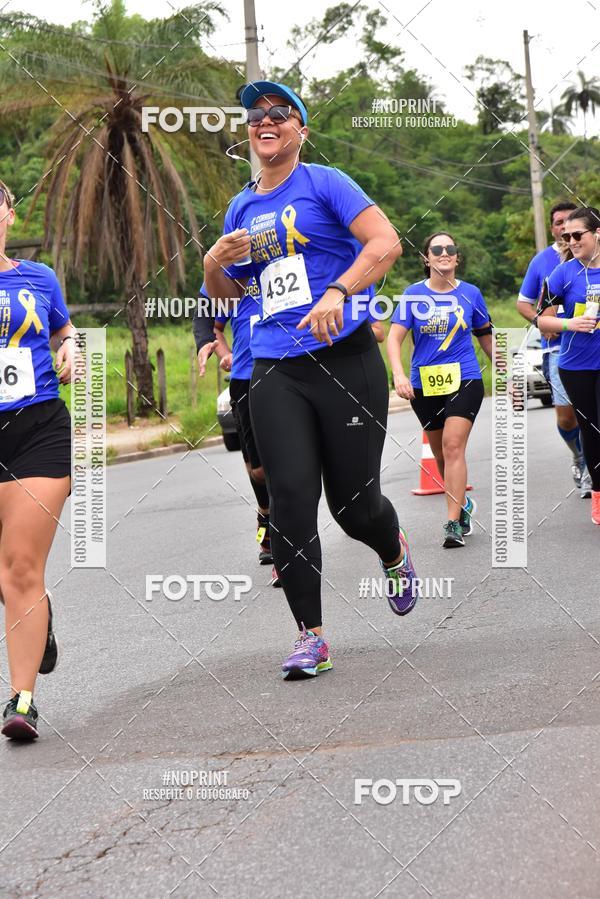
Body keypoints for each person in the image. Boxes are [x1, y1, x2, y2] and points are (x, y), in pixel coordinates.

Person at [202, 80, 416, 680]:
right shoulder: (241, 208)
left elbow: (386, 242)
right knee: (290, 502)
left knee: (354, 507)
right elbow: (227, 299)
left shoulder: (326, 182)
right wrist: (212, 263)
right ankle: (311, 637)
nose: (263, 121)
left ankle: (393, 548)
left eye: (278, 113)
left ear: (300, 128)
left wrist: (338, 291)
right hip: (273, 363)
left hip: (345, 359)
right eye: (253, 116)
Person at [0, 178, 74, 741]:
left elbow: (64, 331)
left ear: (9, 216)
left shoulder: (38, 278)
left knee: (21, 568)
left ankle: (22, 700)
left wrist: (71, 348)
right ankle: (37, 619)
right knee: (9, 577)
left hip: (38, 429)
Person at [387, 232, 494, 548]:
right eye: (437, 249)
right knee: (440, 454)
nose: (444, 253)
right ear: (426, 258)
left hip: (465, 378)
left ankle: (452, 524)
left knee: (452, 446)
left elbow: (486, 336)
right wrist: (398, 374)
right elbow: (394, 339)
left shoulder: (471, 294)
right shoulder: (412, 294)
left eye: (450, 249)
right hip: (425, 384)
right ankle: (461, 505)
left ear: (457, 257)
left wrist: (507, 375)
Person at [194, 279, 276, 575]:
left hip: (286, 368)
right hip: (244, 376)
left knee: (285, 460)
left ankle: (287, 546)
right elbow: (212, 323)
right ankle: (265, 514)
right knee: (258, 469)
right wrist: (223, 353)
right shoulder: (233, 275)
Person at [516, 202, 590, 495]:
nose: (564, 229)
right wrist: (543, 322)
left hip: (591, 346)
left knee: (590, 412)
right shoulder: (543, 262)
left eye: (570, 225)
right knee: (567, 416)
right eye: (559, 223)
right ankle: (579, 455)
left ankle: (590, 469)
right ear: (553, 228)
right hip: (558, 349)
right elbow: (523, 303)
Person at [536, 206, 600, 525]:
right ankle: (598, 494)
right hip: (576, 365)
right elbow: (541, 319)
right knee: (590, 430)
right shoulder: (562, 274)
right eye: (566, 236)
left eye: (578, 235)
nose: (572, 241)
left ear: (597, 234)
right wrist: (569, 324)